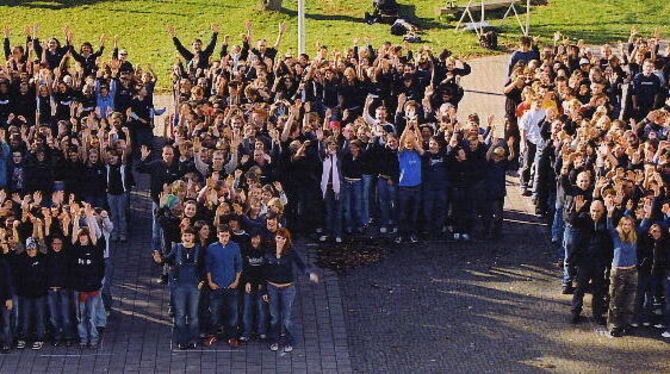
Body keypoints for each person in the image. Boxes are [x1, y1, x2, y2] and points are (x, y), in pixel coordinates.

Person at [263, 228, 318, 352]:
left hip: (287, 287)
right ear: (275, 238)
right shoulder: (268, 250)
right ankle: (274, 339)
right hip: (272, 287)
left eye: (283, 238)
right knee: (275, 316)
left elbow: (301, 265)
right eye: (278, 237)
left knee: (287, 317)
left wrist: (310, 275)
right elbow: (264, 271)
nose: (280, 240)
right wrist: (264, 291)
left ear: (287, 240)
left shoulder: (290, 251)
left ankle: (289, 340)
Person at [153, 227, 203, 349]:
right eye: (185, 235)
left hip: (194, 285)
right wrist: (159, 260)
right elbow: (167, 259)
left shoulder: (199, 249)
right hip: (179, 285)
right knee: (180, 314)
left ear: (194, 237)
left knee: (193, 315)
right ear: (182, 237)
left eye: (190, 235)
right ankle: (182, 340)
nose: (187, 238)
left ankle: (193, 339)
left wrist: (202, 281)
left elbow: (204, 266)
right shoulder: (177, 248)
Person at [604, 198, 647, 337]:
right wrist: (610, 213)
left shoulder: (635, 235)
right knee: (616, 300)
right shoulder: (616, 235)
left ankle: (626, 323)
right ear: (621, 225)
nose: (627, 227)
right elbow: (609, 226)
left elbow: (645, 226)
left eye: (629, 224)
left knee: (630, 300)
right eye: (625, 225)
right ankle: (614, 325)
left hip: (632, 271)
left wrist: (645, 215)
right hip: (618, 271)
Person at [70, 205, 104, 349]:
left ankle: (94, 338)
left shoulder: (94, 248)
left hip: (93, 288)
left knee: (92, 316)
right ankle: (83, 339)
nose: (83, 238)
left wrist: (89, 216)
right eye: (81, 236)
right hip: (80, 289)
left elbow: (94, 234)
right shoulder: (75, 249)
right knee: (81, 316)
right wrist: (77, 217)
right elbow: (72, 236)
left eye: (84, 236)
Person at [204, 225, 242, 347]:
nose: (224, 238)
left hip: (231, 286)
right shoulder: (211, 248)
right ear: (217, 235)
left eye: (226, 236)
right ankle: (212, 335)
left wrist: (236, 281)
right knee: (214, 313)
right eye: (222, 236)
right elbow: (208, 267)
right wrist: (210, 282)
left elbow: (239, 266)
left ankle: (232, 337)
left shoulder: (235, 247)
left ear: (229, 235)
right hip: (216, 287)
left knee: (233, 313)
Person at [239, 231, 268, 342]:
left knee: (261, 309)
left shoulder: (264, 251)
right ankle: (246, 332)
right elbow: (243, 268)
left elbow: (265, 269)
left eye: (257, 238)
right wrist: (247, 281)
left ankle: (262, 331)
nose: (255, 241)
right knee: (247, 309)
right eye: (253, 238)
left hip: (261, 285)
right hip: (248, 285)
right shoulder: (245, 250)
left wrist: (262, 283)